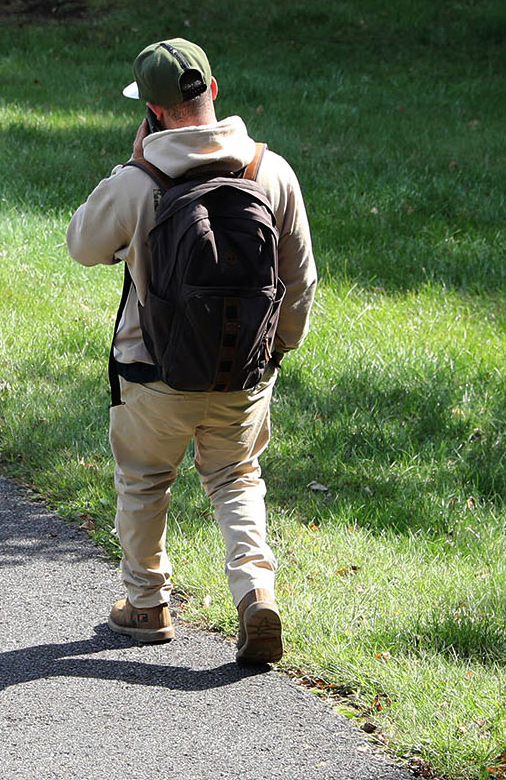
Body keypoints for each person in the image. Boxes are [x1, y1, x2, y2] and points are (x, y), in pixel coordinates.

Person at [65, 38, 317, 663]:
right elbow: (301, 280)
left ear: (149, 112)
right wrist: (276, 350)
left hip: (153, 372)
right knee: (236, 476)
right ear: (212, 92)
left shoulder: (138, 181)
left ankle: (146, 603)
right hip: (242, 371)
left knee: (146, 478)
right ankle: (256, 591)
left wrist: (129, 168)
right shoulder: (270, 171)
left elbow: (82, 246)